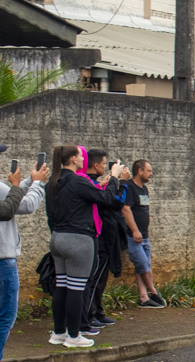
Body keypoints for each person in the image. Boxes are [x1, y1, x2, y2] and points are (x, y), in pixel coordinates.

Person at [45, 145, 126, 347]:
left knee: (62, 286)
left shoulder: (53, 182)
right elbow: (107, 199)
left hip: (57, 237)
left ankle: (58, 332)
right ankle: (74, 336)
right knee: (76, 289)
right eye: (81, 156)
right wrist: (115, 178)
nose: (84, 159)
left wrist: (104, 183)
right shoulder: (78, 181)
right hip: (78, 240)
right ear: (73, 159)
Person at [0, 145, 49, 362]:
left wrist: (29, 180)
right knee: (4, 316)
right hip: (0, 260)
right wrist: (37, 184)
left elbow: (11, 195)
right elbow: (20, 206)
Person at [80, 148, 129, 334]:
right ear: (96, 165)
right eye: (103, 164)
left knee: (100, 278)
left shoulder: (93, 184)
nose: (104, 167)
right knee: (94, 279)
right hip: (99, 237)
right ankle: (89, 315)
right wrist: (122, 182)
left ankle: (96, 311)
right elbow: (116, 202)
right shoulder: (87, 184)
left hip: (105, 236)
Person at [122, 159, 166, 308]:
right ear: (139, 171)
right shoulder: (129, 187)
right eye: (148, 171)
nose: (151, 174)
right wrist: (135, 230)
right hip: (133, 236)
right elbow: (125, 209)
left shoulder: (144, 189)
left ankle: (143, 297)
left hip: (145, 236)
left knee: (142, 267)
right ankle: (153, 292)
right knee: (143, 265)